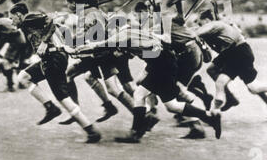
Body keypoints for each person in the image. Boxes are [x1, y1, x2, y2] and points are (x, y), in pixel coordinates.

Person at [74, 25, 222, 142]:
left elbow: (100, 46)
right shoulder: (134, 32)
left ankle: (135, 133)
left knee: (143, 95)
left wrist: (78, 49)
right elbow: (156, 47)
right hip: (164, 61)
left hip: (161, 64)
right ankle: (209, 117)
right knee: (170, 105)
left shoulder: (122, 36)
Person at [9, 2, 101, 143]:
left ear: (18, 14)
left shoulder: (29, 18)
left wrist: (45, 42)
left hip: (53, 58)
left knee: (62, 97)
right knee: (24, 77)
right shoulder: (27, 24)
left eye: (12, 18)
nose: (11, 21)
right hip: (51, 58)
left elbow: (52, 20)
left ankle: (91, 130)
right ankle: (50, 108)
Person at [195, 9, 267, 124]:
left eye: (200, 23)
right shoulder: (211, 30)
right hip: (231, 54)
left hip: (238, 52)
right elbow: (209, 55)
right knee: (214, 72)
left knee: (252, 86)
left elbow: (236, 33)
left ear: (206, 20)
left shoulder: (217, 24)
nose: (199, 26)